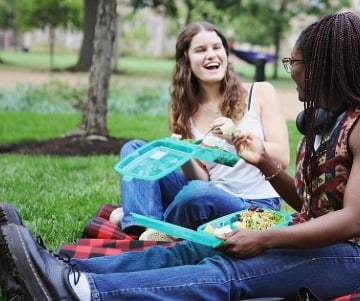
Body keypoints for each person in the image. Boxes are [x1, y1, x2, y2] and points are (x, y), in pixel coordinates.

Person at [0, 11, 360, 300]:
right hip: (312, 234)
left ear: (323, 66)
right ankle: (58, 268)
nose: (290, 69)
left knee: (228, 274)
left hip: (354, 258)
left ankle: (80, 292)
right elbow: (310, 206)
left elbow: (352, 220)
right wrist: (266, 164)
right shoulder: (321, 121)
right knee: (197, 250)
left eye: (295, 61)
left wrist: (265, 237)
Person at [116, 21, 290, 237]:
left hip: (256, 208)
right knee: (135, 149)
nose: (211, 55)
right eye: (201, 50)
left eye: (217, 48)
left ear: (226, 54)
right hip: (210, 194)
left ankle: (154, 222)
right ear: (186, 61)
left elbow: (282, 157)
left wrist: (235, 137)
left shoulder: (260, 92)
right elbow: (202, 177)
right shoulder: (182, 111)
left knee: (197, 194)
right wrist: (184, 154)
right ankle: (144, 228)